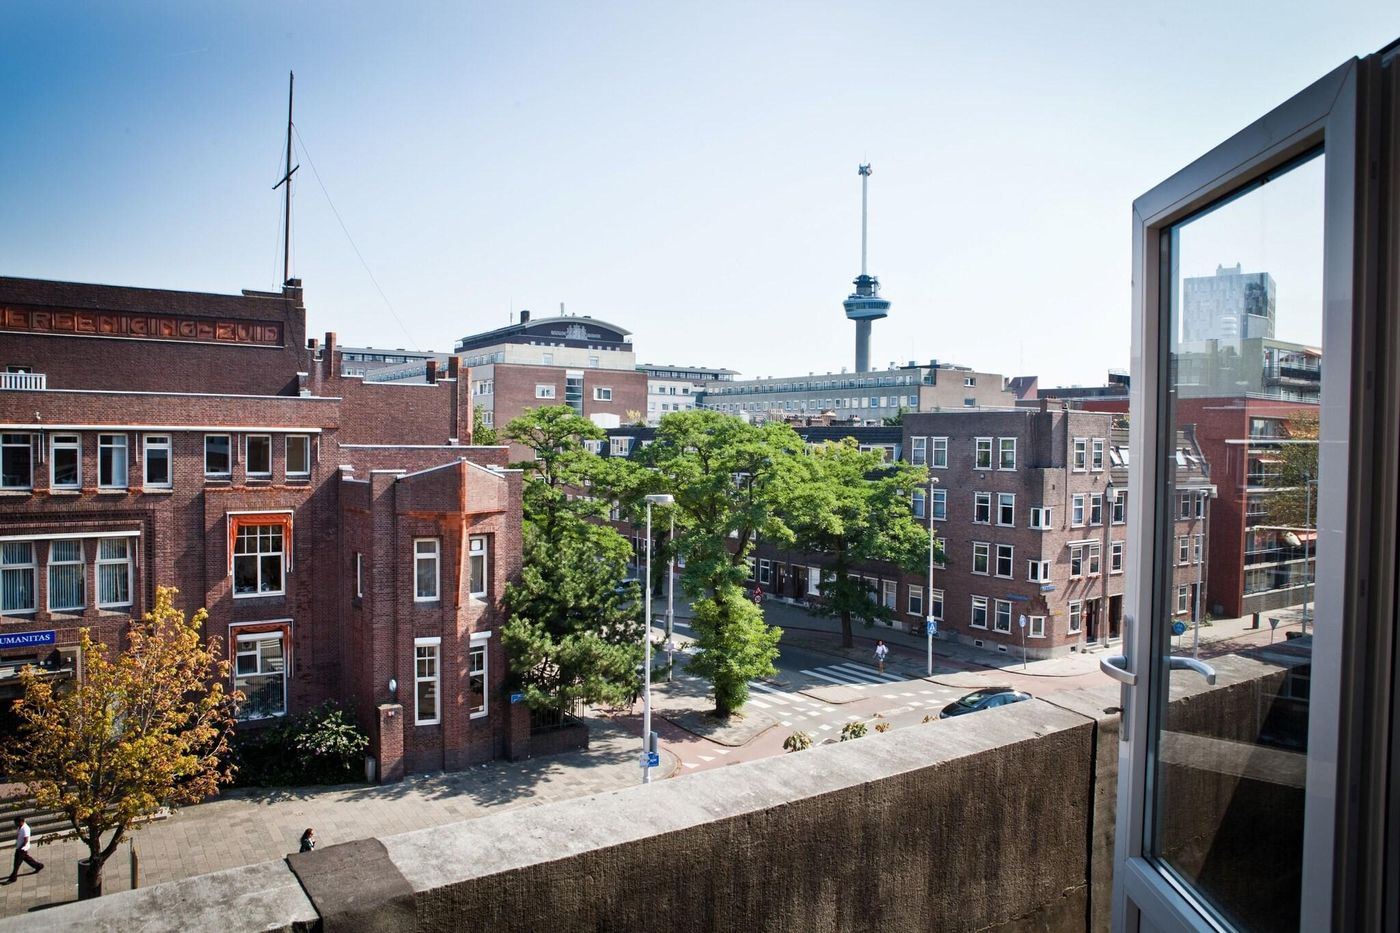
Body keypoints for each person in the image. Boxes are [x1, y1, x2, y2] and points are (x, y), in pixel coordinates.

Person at [5, 816, 43, 882]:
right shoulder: (20, 827)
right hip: (20, 847)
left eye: (16, 822)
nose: (15, 824)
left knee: (17, 863)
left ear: (21, 822)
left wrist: (20, 848)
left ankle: (13, 878)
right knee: (27, 859)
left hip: (22, 848)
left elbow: (26, 840)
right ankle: (39, 866)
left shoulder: (25, 829)